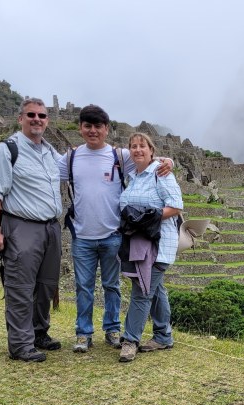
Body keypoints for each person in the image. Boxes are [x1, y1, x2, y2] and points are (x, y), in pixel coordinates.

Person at [58, 105, 172, 353]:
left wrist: (168, 161)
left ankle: (112, 329)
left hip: (113, 235)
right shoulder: (71, 158)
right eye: (87, 126)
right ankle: (83, 333)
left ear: (106, 129)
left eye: (98, 126)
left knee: (112, 286)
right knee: (83, 287)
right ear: (80, 128)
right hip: (82, 236)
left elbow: (149, 159)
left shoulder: (120, 156)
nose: (92, 131)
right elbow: (45, 173)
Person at [0, 98, 63, 363]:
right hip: (22, 226)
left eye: (42, 115)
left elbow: (84, 163)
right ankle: (20, 344)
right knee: (20, 285)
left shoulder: (51, 152)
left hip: (51, 228)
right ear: (21, 118)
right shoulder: (7, 149)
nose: (37, 119)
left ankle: (39, 333)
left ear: (47, 121)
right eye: (31, 115)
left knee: (46, 285)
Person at [117, 132, 183, 362]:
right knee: (156, 290)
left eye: (142, 146)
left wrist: (146, 218)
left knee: (142, 291)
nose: (137, 150)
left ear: (151, 150)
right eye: (133, 146)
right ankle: (163, 336)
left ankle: (130, 340)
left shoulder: (161, 173)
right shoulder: (133, 176)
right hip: (139, 242)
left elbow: (176, 206)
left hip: (159, 244)